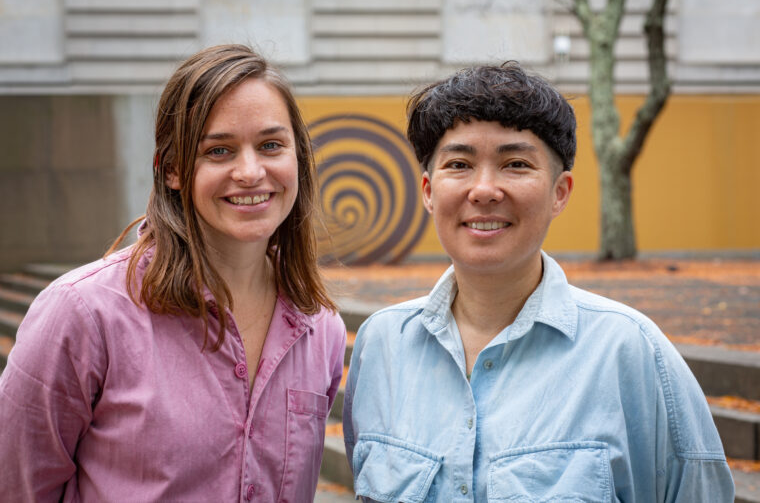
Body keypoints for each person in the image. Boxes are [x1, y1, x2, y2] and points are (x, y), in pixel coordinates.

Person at [342, 62, 734, 502]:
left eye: (515, 164)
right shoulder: (383, 345)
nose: (484, 190)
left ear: (559, 192)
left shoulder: (629, 352)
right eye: (459, 164)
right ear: (429, 191)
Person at [0, 44, 346, 502]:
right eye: (218, 151)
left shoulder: (320, 328)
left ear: (297, 157)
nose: (250, 171)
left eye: (270, 145)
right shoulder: (83, 315)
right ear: (173, 171)